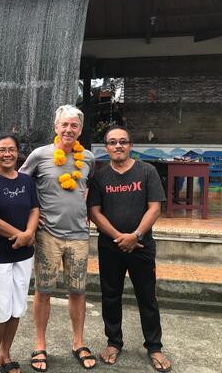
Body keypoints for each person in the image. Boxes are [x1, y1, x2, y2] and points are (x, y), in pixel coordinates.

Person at [89, 126, 172, 372]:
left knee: (147, 297)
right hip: (110, 246)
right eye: (113, 142)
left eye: (123, 141)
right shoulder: (99, 177)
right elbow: (94, 212)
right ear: (106, 148)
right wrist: (119, 237)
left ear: (131, 145)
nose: (118, 146)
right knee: (110, 295)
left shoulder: (147, 172)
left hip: (142, 246)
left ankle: (154, 346)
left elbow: (155, 208)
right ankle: (113, 342)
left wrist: (135, 236)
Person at [19, 105, 96, 371]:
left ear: (80, 130)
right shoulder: (40, 155)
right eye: (64, 124)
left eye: (74, 125)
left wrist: (85, 208)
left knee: (78, 290)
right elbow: (20, 184)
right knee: (43, 291)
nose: (69, 129)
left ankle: (78, 342)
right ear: (56, 127)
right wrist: (31, 216)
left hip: (79, 235)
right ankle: (40, 345)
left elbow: (88, 186)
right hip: (47, 234)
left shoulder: (88, 158)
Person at [0, 133, 40, 373]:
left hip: (23, 254)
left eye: (11, 149)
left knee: (16, 307)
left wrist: (30, 232)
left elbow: (34, 209)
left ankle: (6, 353)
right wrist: (21, 235)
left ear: (17, 152)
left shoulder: (26, 180)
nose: (7, 154)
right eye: (2, 150)